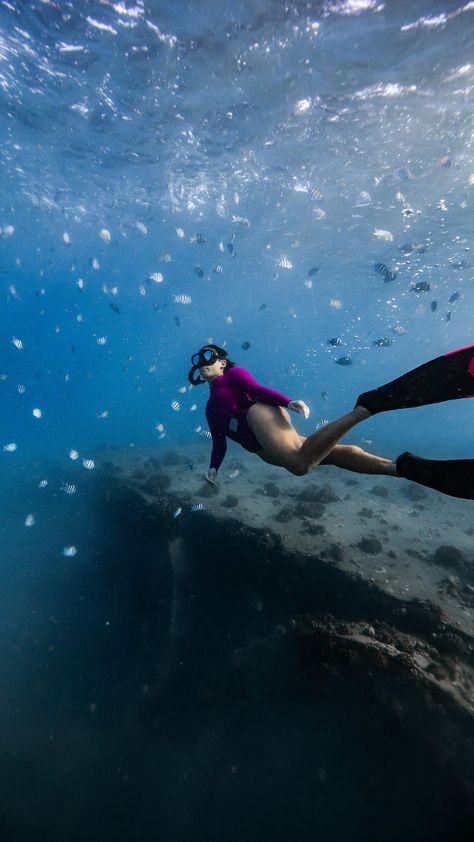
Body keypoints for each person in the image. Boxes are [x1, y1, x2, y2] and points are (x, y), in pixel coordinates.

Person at [187, 344, 474, 500]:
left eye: (210, 356)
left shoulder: (233, 377)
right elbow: (218, 442)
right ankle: (400, 468)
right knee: (330, 456)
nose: (204, 362)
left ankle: (364, 409)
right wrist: (213, 470)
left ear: (223, 362)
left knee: (300, 465)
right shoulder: (210, 408)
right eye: (199, 362)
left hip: (257, 415)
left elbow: (259, 390)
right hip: (262, 442)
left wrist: (288, 401)